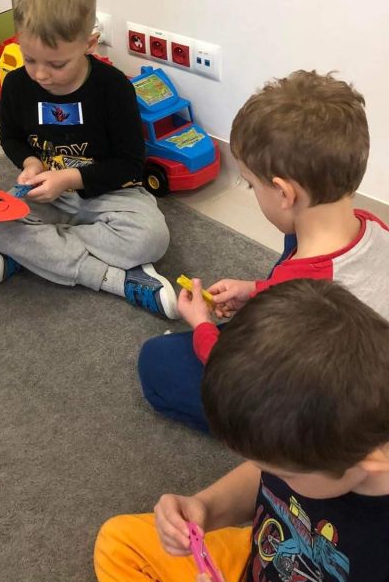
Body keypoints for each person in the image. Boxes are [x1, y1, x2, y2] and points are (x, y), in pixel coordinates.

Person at [96, 279, 389, 582]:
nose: (269, 474)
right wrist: (206, 507)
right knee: (121, 544)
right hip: (256, 574)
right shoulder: (333, 442)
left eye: (282, 472)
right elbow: (265, 474)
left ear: (366, 462)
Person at [138, 69, 389, 432]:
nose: (251, 191)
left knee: (156, 362)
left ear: (284, 193)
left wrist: (202, 324)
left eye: (250, 184)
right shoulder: (374, 225)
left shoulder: (302, 295)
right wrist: (257, 291)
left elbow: (238, 372)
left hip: (331, 411)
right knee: (296, 236)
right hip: (361, 365)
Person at [0, 0, 174, 318]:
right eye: (29, 59)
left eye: (56, 64)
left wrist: (69, 178)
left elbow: (130, 164)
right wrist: (31, 163)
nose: (41, 74)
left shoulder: (113, 87)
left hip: (111, 194)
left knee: (152, 238)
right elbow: (10, 137)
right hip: (47, 193)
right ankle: (116, 279)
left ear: (89, 44)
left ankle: (36, 254)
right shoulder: (17, 85)